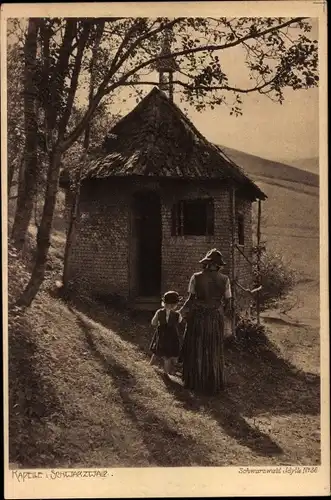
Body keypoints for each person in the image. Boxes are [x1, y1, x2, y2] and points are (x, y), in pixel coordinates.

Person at [179, 249, 232, 394]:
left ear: (207, 263)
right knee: (213, 350)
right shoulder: (225, 279)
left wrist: (181, 313)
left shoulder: (196, 277)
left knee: (197, 347)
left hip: (198, 318)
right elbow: (228, 303)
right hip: (215, 318)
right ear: (218, 265)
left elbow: (190, 300)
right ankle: (212, 383)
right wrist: (220, 314)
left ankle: (195, 383)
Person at [149, 291, 183, 377]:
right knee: (168, 355)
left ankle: (150, 366)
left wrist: (160, 323)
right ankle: (166, 373)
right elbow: (180, 322)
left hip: (161, 336)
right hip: (172, 337)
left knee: (157, 351)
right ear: (174, 305)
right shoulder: (177, 314)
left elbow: (153, 322)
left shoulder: (159, 312)